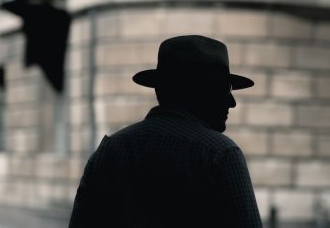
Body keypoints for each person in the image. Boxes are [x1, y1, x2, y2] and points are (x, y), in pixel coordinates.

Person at [68, 35, 263, 228]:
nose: (232, 102)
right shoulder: (220, 154)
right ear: (199, 90)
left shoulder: (108, 152)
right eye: (225, 89)